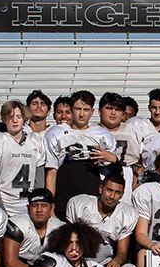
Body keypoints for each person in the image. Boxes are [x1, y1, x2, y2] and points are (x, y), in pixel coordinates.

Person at [44, 90, 119, 218]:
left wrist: (114, 159)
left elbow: (112, 174)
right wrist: (50, 204)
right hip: (64, 195)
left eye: (86, 109)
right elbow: (51, 173)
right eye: (78, 109)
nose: (82, 114)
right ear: (71, 110)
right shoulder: (55, 133)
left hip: (92, 195)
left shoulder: (103, 135)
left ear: (92, 112)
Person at [0, 100, 47, 218]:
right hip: (5, 203)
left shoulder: (36, 141)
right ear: (4, 119)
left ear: (24, 119)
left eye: (19, 116)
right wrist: (1, 211)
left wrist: (35, 205)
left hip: (28, 205)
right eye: (10, 116)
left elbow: (39, 182)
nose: (15, 120)